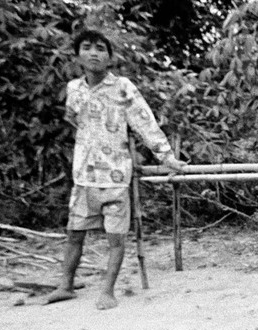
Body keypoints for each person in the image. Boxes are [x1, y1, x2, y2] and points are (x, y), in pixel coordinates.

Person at [47, 29, 186, 310]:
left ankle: (107, 291)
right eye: (87, 47)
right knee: (75, 233)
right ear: (78, 56)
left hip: (116, 175)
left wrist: (167, 157)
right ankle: (66, 285)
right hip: (84, 175)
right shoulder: (74, 89)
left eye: (100, 48)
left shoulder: (122, 86)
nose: (94, 53)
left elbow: (145, 123)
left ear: (109, 57)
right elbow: (72, 120)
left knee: (115, 238)